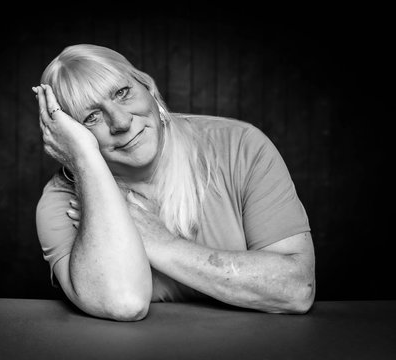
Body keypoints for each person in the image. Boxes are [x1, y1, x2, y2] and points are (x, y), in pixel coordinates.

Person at [33, 44, 315, 321]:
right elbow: (123, 303)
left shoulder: (240, 147)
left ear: (149, 89)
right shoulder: (61, 201)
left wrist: (161, 243)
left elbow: (296, 288)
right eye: (91, 117)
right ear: (72, 138)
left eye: (122, 93)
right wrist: (84, 160)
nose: (120, 122)